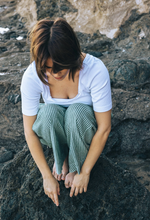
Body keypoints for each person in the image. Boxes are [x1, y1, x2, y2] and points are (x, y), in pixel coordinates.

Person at [20, 18, 112, 207]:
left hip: (84, 128)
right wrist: (46, 176)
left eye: (60, 66)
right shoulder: (32, 75)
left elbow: (104, 127)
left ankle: (75, 163)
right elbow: (29, 130)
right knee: (48, 112)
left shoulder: (95, 70)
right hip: (55, 131)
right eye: (47, 68)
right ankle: (61, 157)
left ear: (71, 54)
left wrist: (84, 172)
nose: (54, 74)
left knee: (76, 112)